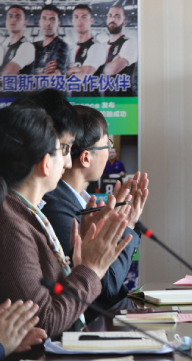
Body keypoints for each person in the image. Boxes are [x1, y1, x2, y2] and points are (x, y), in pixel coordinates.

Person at [0, 103, 131, 335]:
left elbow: (57, 305)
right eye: (62, 151)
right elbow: (46, 323)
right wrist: (91, 269)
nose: (68, 163)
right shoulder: (13, 225)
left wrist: (77, 269)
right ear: (45, 163)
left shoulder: (28, 213)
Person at [42, 106, 147, 319]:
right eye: (107, 145)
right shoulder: (57, 210)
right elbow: (107, 288)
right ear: (86, 158)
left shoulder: (76, 201)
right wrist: (127, 225)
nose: (110, 152)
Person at [98, 4, 137, 97]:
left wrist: (90, 69)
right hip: (102, 101)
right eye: (110, 15)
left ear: (125, 22)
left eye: (117, 16)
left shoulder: (129, 42)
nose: (112, 19)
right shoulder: (102, 46)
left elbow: (113, 69)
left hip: (122, 101)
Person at [66, 5, 107, 78]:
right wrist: (75, 69)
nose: (79, 20)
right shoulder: (70, 48)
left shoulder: (97, 47)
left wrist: (67, 72)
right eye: (76, 17)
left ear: (91, 21)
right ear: (72, 21)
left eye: (84, 17)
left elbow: (84, 76)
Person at [32, 4, 69, 77]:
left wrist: (31, 75)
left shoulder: (61, 46)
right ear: (39, 22)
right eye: (44, 18)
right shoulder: (33, 46)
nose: (47, 23)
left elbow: (55, 76)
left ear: (58, 24)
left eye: (52, 19)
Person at [2, 5, 35, 77]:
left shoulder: (27, 46)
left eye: (18, 17)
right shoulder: (6, 47)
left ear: (25, 23)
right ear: (6, 22)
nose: (13, 19)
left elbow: (7, 74)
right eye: (10, 16)